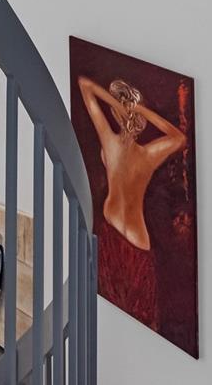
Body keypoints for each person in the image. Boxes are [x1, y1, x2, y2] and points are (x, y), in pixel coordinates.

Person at [77, 75, 186, 329]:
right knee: (138, 318)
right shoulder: (148, 154)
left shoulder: (110, 142)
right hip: (138, 240)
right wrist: (137, 110)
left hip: (112, 232)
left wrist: (121, 106)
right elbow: (179, 138)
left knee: (115, 313)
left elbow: (85, 86)